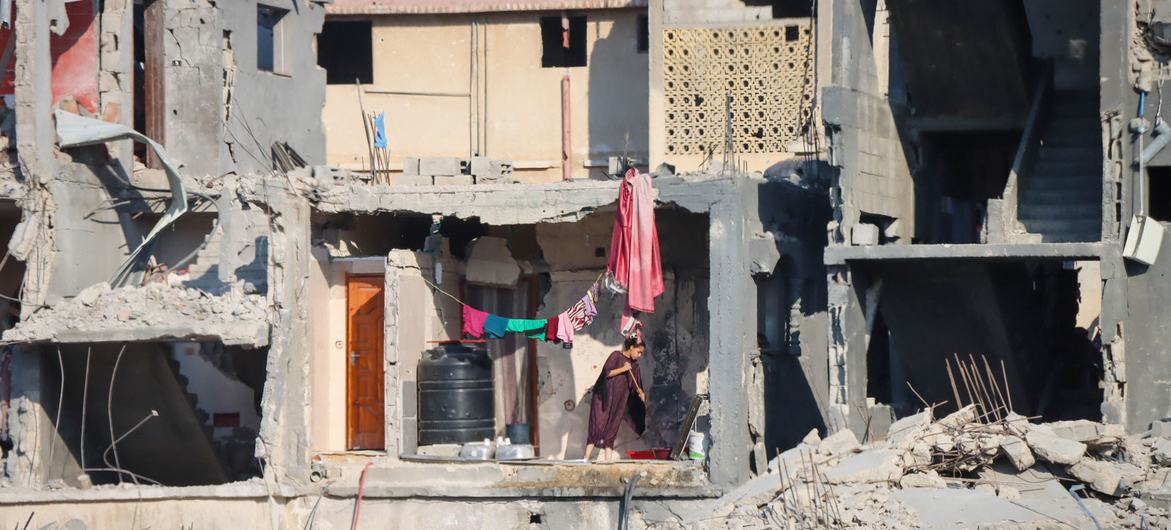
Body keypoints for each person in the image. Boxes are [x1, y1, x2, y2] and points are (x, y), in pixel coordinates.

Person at [583, 334, 647, 462]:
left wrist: (641, 393)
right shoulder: (616, 356)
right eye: (638, 352)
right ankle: (585, 459)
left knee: (612, 428)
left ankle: (608, 461)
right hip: (604, 397)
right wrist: (623, 368)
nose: (639, 355)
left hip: (619, 400)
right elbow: (606, 373)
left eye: (641, 353)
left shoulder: (635, 366)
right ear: (631, 347)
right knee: (597, 425)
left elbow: (636, 386)